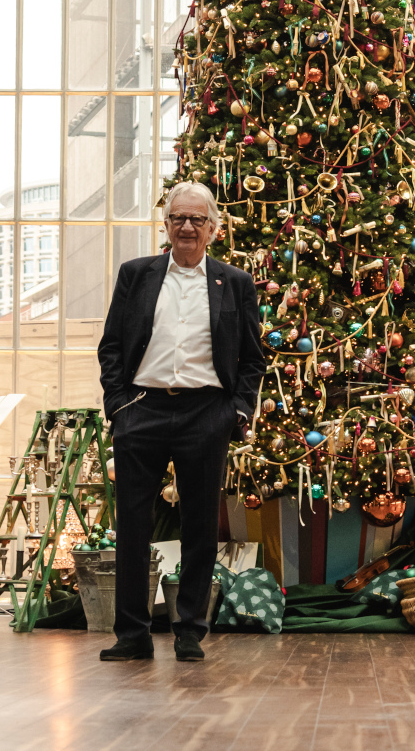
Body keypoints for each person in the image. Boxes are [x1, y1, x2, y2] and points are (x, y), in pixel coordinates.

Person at [97, 182, 265, 663]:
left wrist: (235, 412)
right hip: (141, 410)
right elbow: (111, 346)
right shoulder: (137, 275)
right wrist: (119, 406)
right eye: (178, 219)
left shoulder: (234, 282)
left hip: (205, 414)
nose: (187, 227)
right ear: (166, 225)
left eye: (197, 220)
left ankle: (189, 628)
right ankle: (132, 633)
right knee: (131, 525)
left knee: (198, 527)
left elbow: (252, 358)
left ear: (213, 228)